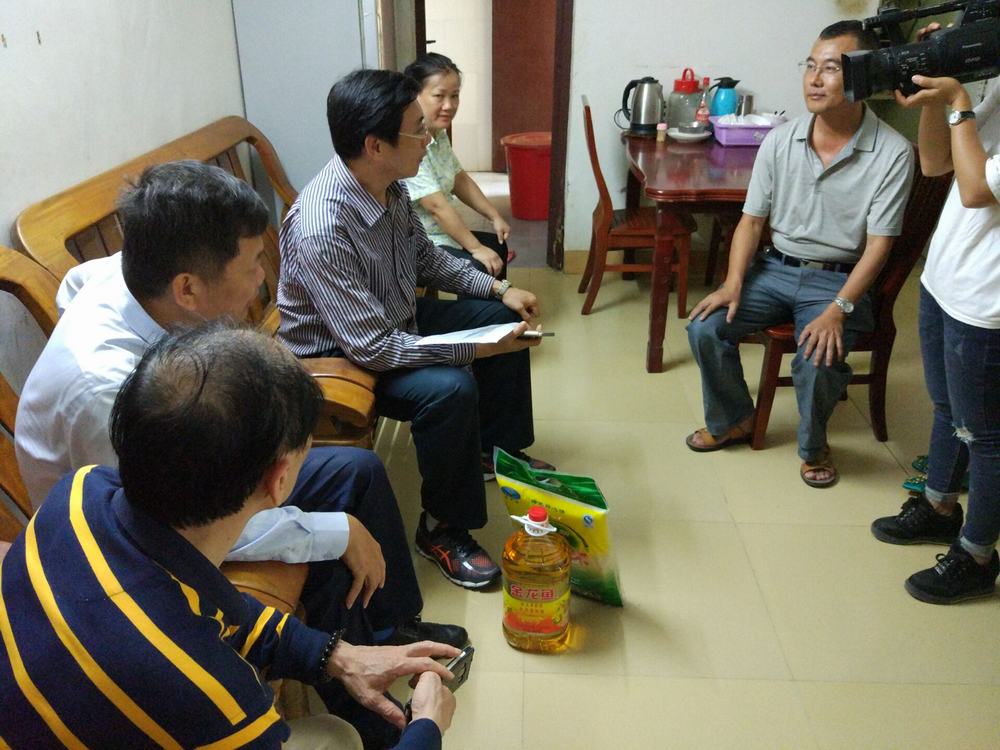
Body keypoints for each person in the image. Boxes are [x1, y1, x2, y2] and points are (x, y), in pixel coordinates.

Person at [13, 161, 465, 662]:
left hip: (184, 474)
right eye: (251, 264)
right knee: (330, 549)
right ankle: (354, 678)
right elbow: (169, 525)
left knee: (357, 471)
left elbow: (73, 281)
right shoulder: (106, 392)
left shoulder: (132, 276)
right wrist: (335, 533)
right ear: (187, 289)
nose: (263, 276)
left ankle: (392, 625)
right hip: (127, 545)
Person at [0, 322, 458, 749]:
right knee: (335, 735)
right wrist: (427, 727)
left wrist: (337, 656)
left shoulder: (79, 493)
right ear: (280, 478)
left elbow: (218, 606)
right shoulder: (213, 699)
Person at [277, 69, 553, 590]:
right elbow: (373, 349)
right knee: (449, 388)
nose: (429, 138)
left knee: (504, 319)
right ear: (375, 145)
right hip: (341, 356)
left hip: (391, 319)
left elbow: (425, 258)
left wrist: (498, 290)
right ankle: (444, 528)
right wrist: (469, 351)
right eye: (417, 129)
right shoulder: (322, 225)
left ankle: (494, 450)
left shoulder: (390, 186)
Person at [685, 20, 914, 487]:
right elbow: (751, 222)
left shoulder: (892, 152)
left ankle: (813, 447)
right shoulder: (779, 139)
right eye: (810, 66)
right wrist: (732, 283)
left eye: (830, 68)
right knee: (705, 326)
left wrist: (839, 309)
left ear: (862, 77)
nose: (814, 79)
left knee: (818, 355)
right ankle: (734, 419)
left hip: (839, 279)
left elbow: (879, 247)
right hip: (775, 267)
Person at [870, 25, 1000, 604]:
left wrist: (958, 99)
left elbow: (974, 189)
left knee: (987, 436)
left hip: (988, 302)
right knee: (947, 409)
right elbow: (934, 162)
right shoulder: (995, 87)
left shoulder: (973, 99)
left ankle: (976, 555)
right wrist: (931, 93)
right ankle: (939, 506)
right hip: (946, 277)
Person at [402, 52, 512, 279]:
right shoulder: (407, 141)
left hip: (440, 235)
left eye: (455, 96)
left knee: (498, 247)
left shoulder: (437, 132)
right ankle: (488, 301)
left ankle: (501, 302)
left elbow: (459, 178)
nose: (449, 105)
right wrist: (475, 248)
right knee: (479, 265)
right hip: (415, 244)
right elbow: (436, 206)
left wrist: (494, 216)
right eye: (439, 96)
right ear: (414, 95)